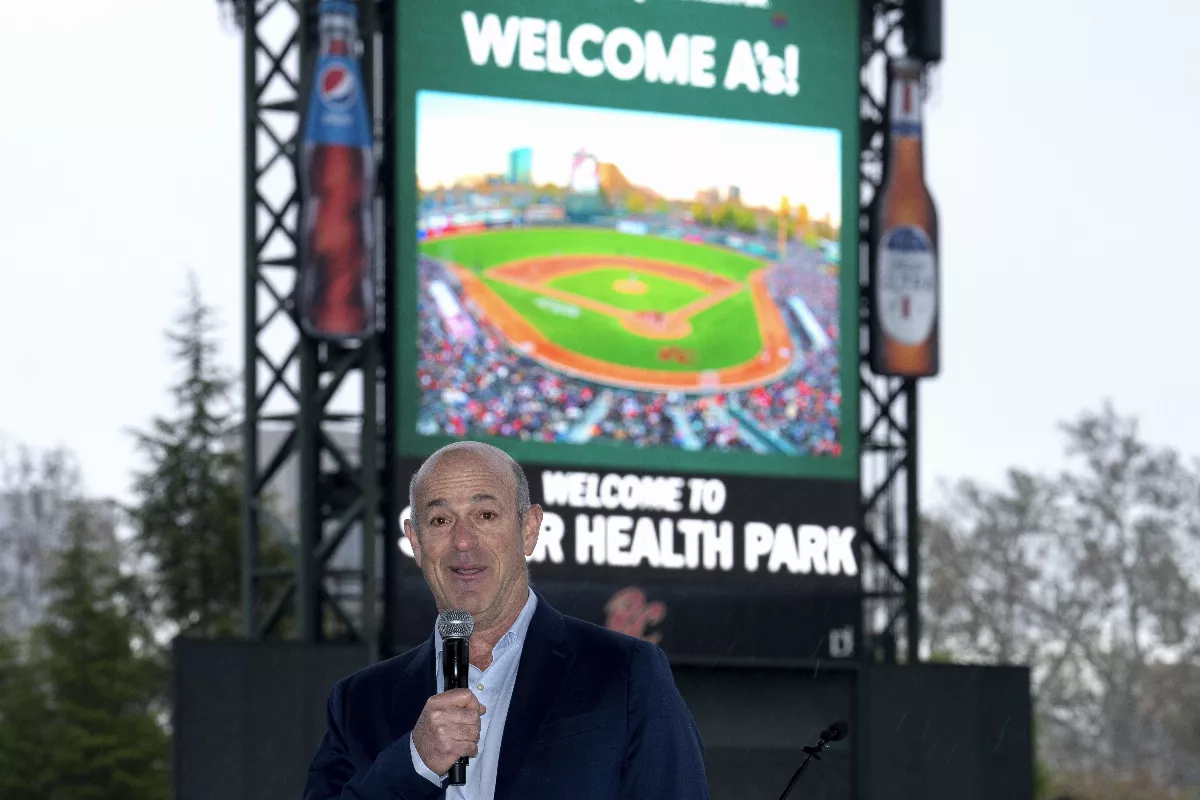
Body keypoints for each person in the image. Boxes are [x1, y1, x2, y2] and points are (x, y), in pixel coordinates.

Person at [303, 441, 710, 800]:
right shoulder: (359, 702)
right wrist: (415, 762)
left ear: (528, 529)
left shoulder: (624, 671)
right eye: (441, 520)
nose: (463, 541)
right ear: (416, 541)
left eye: (485, 515)